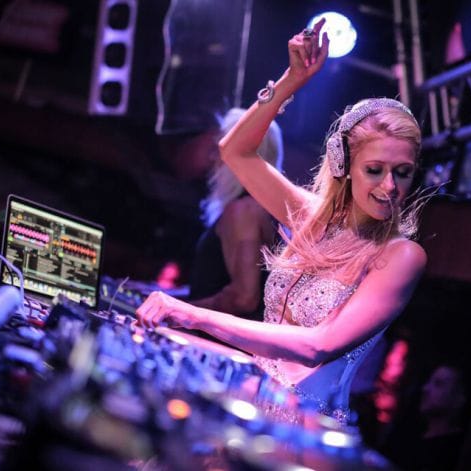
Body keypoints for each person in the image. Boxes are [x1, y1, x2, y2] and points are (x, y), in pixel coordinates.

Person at [136, 18, 427, 425]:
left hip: (304, 429)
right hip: (250, 402)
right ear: (343, 165)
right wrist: (292, 80)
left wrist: (192, 314)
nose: (390, 186)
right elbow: (235, 151)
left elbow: (318, 345)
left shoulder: (401, 256)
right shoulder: (310, 216)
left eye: (403, 173)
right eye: (375, 170)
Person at [189, 108, 284, 321]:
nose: (214, 158)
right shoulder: (262, 208)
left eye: (220, 149)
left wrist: (182, 311)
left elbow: (244, 298)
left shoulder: (244, 211)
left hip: (218, 338)